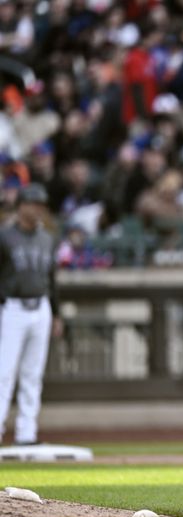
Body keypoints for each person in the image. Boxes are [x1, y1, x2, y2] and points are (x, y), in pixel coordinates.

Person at [0, 184, 63, 446]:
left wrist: (57, 313)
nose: (37, 209)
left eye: (41, 204)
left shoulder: (47, 238)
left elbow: (52, 278)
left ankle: (27, 433)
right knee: (4, 373)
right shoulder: (4, 237)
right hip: (12, 307)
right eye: (32, 204)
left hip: (41, 306)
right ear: (21, 206)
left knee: (32, 374)